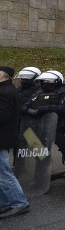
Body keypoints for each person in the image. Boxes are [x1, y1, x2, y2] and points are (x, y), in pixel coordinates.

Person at [0, 66, 30, 219]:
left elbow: (3, 116)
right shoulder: (8, 90)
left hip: (2, 138)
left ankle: (19, 202)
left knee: (4, 173)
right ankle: (5, 204)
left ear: (1, 76)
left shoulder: (5, 92)